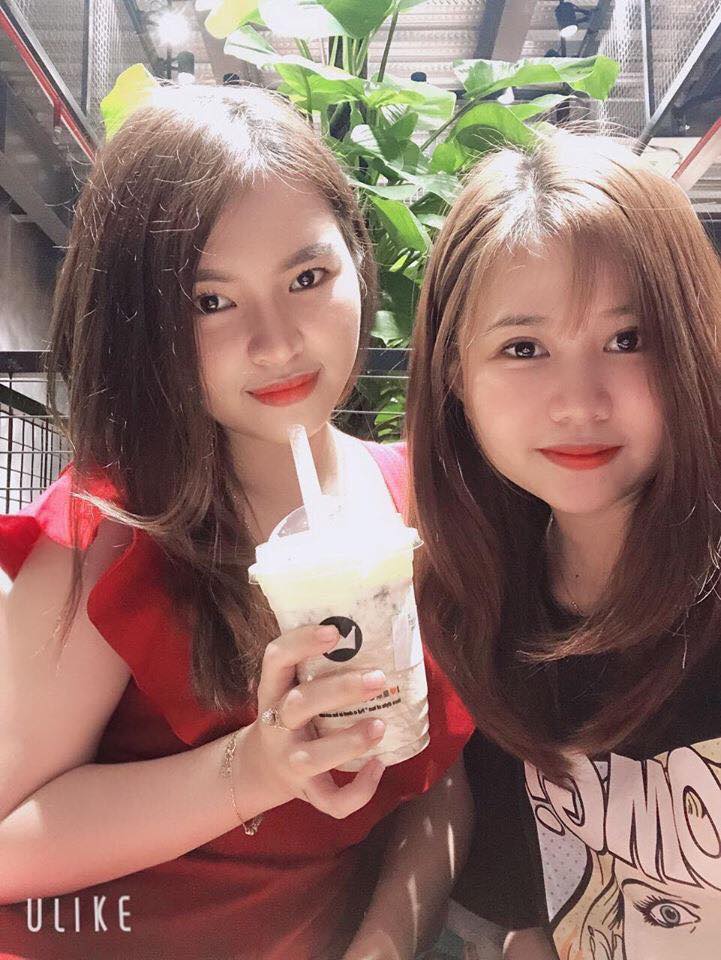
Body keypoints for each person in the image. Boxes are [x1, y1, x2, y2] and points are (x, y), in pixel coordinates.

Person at [0, 82, 474, 960]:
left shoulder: (430, 502)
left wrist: (382, 943)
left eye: (307, 278)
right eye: (209, 301)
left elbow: (432, 784)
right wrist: (252, 771)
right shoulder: (114, 528)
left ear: (356, 262)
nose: (277, 342)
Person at [404, 130, 721, 960]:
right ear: (453, 376)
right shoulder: (475, 603)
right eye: (523, 348)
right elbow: (540, 912)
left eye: (627, 339)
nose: (578, 403)